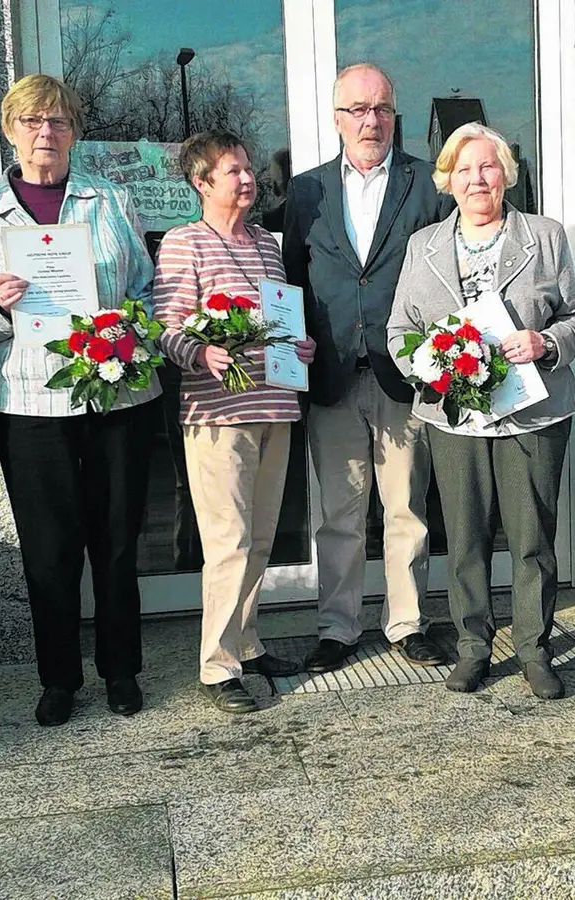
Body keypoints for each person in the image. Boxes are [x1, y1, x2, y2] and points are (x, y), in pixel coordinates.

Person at [0, 74, 156, 727]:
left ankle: (121, 669)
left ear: (74, 130)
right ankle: (58, 679)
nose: (45, 133)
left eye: (58, 121)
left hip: (120, 395)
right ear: (10, 129)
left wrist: (133, 327)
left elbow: (147, 289)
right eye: (31, 121)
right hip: (30, 402)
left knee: (118, 539)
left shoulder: (112, 200)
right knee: (48, 548)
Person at [387, 123, 575, 699]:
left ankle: (534, 648)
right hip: (456, 417)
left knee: (531, 538)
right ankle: (474, 646)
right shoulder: (422, 245)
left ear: (507, 173)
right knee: (467, 536)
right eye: (465, 169)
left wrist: (545, 343)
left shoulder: (545, 236)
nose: (478, 179)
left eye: (489, 167)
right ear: (446, 179)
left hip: (533, 411)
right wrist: (433, 367)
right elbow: (401, 329)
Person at [283, 63, 453, 673]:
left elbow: (443, 275)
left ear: (394, 114)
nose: (370, 120)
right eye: (357, 109)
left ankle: (408, 622)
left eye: (381, 108)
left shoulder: (425, 184)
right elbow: (292, 282)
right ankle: (338, 626)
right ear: (336, 119)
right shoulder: (305, 192)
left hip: (403, 373)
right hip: (330, 372)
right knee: (339, 511)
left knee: (406, 505)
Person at [153, 130, 318, 714]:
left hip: (275, 405)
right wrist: (200, 353)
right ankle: (217, 665)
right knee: (229, 541)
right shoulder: (183, 244)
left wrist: (300, 348)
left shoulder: (268, 246)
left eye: (249, 169)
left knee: (261, 539)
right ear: (202, 183)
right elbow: (164, 326)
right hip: (217, 414)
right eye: (233, 171)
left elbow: (281, 322)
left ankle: (248, 643)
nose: (248, 180)